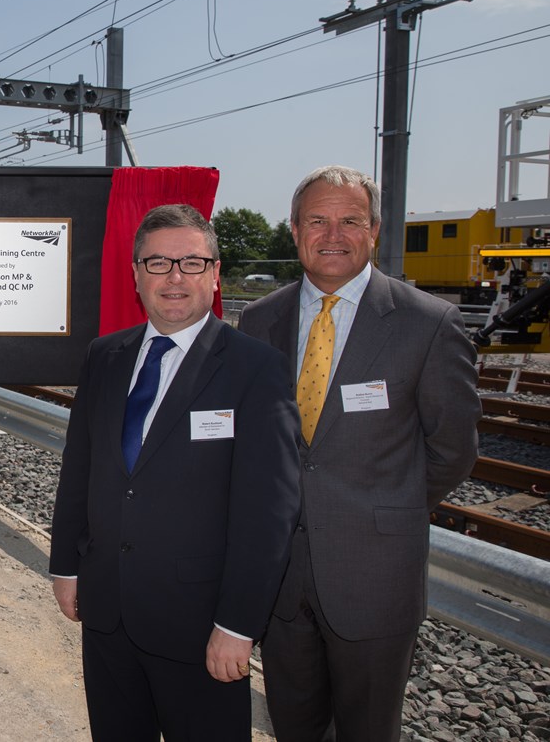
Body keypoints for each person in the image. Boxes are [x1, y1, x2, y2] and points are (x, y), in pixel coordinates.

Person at [239, 165, 481, 741]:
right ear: (295, 230)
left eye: (350, 221)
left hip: (375, 576)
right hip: (282, 580)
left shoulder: (428, 323)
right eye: (318, 220)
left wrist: (383, 510)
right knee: (294, 727)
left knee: (370, 730)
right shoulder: (258, 321)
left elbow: (453, 450)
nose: (333, 234)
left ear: (373, 231)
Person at [50, 204, 301, 741]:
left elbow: (268, 513)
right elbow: (80, 470)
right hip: (108, 615)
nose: (174, 278)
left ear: (214, 274)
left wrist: (237, 626)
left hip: (202, 628)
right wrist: (66, 567)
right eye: (158, 263)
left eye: (191, 262)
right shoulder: (105, 356)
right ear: (136, 274)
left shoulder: (255, 368)